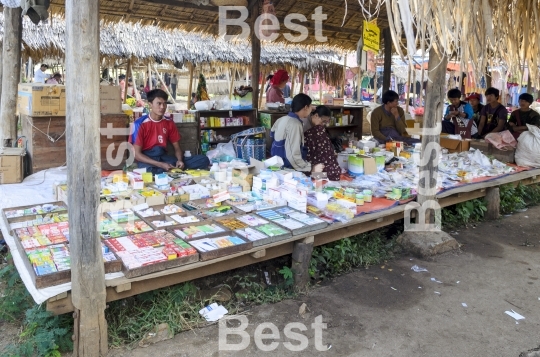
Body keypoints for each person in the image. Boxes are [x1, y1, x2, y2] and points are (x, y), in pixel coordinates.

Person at [130, 89, 210, 175]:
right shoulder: (139, 124)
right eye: (159, 103)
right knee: (150, 171)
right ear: (150, 105)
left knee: (203, 160)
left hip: (163, 157)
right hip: (147, 159)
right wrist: (160, 164)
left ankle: (169, 170)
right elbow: (137, 154)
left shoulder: (169, 123)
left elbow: (177, 148)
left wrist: (179, 160)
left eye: (164, 103)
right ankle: (165, 171)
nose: (162, 107)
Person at [271, 93, 324, 173]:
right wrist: (310, 168)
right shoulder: (295, 124)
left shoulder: (281, 119)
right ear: (306, 107)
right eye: (310, 107)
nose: (311, 110)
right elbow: (293, 155)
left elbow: (272, 135)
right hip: (288, 168)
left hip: (276, 164)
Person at [304, 106, 341, 181]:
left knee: (334, 172)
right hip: (308, 158)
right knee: (330, 173)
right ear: (316, 116)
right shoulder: (305, 125)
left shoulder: (318, 128)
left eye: (326, 122)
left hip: (316, 159)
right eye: (323, 121)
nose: (324, 124)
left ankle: (318, 176)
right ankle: (315, 175)